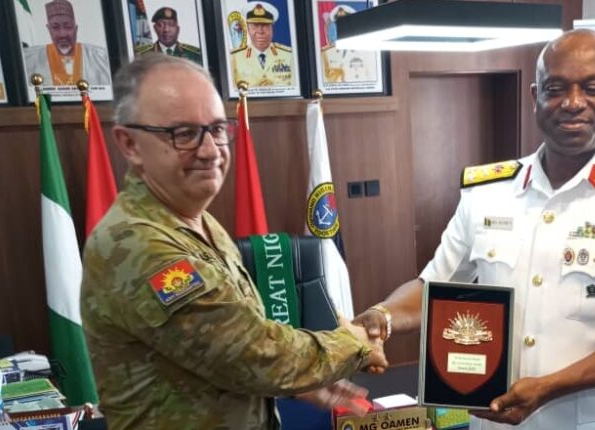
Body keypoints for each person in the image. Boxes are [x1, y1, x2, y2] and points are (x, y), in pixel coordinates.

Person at [354, 29, 595, 429]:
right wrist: (382, 316)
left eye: (593, 88)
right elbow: (432, 286)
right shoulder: (488, 192)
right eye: (556, 88)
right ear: (535, 96)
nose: (573, 102)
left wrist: (548, 388)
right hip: (496, 421)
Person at [80, 54, 386, 429]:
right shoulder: (134, 243)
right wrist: (355, 341)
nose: (211, 150)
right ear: (129, 144)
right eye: (184, 134)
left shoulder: (198, 220)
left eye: (217, 129)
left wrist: (299, 384)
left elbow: (216, 356)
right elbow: (253, 354)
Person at [22, 0, 110, 86]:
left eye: (68, 27)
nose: (62, 34)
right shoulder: (29, 60)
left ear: (76, 29)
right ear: (49, 30)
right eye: (55, 27)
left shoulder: (101, 59)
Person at [230, 1, 293, 88]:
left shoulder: (289, 56)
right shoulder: (234, 58)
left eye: (265, 25)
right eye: (255, 25)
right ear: (248, 28)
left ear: (272, 28)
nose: (260, 31)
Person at [135, 7, 203, 64]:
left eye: (171, 24)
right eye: (160, 25)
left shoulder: (194, 54)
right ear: (155, 28)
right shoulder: (142, 55)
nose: (166, 30)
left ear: (178, 29)